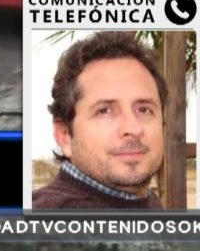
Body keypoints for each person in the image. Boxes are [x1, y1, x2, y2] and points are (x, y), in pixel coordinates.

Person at [33, 31, 166, 210]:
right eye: (104, 111)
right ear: (65, 135)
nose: (133, 128)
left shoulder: (145, 202)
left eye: (144, 109)